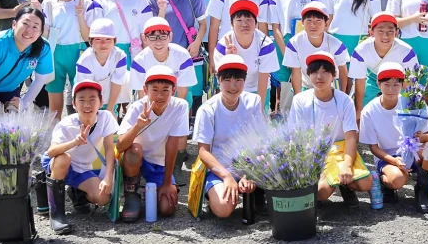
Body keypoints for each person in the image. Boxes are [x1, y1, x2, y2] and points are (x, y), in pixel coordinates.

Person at [286, 51, 371, 207]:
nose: (319, 76)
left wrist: (346, 165)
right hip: (313, 153)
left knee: (365, 183)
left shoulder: (344, 100)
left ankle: (345, 185)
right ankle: (330, 182)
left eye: (325, 71)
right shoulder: (300, 100)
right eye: (315, 72)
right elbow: (295, 135)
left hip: (340, 150)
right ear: (308, 75)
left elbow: (351, 136)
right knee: (321, 192)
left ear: (334, 75)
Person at [359, 62, 428, 212]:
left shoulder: (412, 103)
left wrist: (421, 137)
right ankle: (384, 183)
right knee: (397, 180)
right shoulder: (369, 111)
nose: (391, 89)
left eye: (396, 84)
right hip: (388, 156)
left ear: (403, 85)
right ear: (378, 84)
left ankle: (423, 191)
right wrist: (393, 161)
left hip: (413, 151)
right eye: (387, 84)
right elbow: (373, 147)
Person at [194, 54, 268, 219]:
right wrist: (226, 176)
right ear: (218, 80)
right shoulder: (208, 109)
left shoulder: (253, 101)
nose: (233, 86)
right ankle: (212, 193)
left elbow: (258, 141)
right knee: (223, 209)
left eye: (238, 80)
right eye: (227, 80)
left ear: (245, 80)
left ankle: (257, 195)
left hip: (249, 164)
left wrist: (249, 173)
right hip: (220, 168)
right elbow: (203, 152)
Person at [41, 81, 117, 234]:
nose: (87, 104)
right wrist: (75, 142)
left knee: (103, 198)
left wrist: (108, 177)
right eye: (81, 100)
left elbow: (109, 148)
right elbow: (51, 152)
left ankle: (77, 193)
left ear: (101, 102)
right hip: (58, 162)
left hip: (82, 168)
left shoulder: (106, 117)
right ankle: (56, 214)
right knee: (64, 158)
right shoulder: (66, 124)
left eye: (92, 99)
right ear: (74, 104)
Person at [116, 65, 190, 220]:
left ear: (173, 90)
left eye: (165, 90)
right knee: (133, 150)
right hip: (136, 160)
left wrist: (167, 183)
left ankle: (154, 187)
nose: (160, 95)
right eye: (154, 89)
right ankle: (131, 196)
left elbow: (172, 144)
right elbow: (120, 146)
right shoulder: (136, 107)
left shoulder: (180, 106)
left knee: (166, 208)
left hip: (160, 163)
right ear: (145, 89)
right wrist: (138, 126)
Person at [260, 0, 323, 104]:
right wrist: (286, 53)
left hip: (308, 41)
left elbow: (320, 19)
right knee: (283, 84)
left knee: (309, 79)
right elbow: (275, 27)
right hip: (284, 42)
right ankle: (283, 117)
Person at [149, 0, 208, 108]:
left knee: (192, 95)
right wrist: (162, 10)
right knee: (166, 94)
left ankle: (189, 127)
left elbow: (203, 24)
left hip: (189, 53)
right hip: (165, 56)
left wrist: (196, 44)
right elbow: (156, 29)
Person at [40, 0, 91, 118]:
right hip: (55, 52)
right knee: (55, 97)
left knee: (82, 95)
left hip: (79, 51)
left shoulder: (85, 2)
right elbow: (45, 35)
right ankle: (56, 135)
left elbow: (88, 36)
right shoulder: (49, 3)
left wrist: (81, 15)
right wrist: (37, 14)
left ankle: (82, 133)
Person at [349, 12, 418, 120]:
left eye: (390, 31)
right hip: (372, 77)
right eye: (380, 31)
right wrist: (359, 109)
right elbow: (360, 81)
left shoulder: (406, 51)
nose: (385, 36)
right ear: (371, 32)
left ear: (397, 33)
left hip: (398, 80)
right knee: (364, 101)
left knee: (405, 105)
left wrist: (410, 107)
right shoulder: (361, 51)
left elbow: (409, 82)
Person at [213, 0, 278, 107]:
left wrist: (259, 110)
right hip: (232, 90)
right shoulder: (223, 45)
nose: (244, 24)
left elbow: (263, 78)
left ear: (256, 23)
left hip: (257, 89)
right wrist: (229, 59)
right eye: (239, 20)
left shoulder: (265, 44)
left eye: (249, 19)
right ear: (232, 24)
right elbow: (222, 80)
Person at [282, 2, 350, 94]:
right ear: (302, 22)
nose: (313, 25)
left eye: (318, 21)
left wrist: (341, 96)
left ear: (326, 23)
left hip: (330, 87)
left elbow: (342, 71)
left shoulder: (337, 45)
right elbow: (296, 73)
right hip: (306, 86)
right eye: (309, 20)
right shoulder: (294, 43)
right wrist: (298, 98)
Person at [129, 17, 197, 102]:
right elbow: (142, 94)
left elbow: (183, 88)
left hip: (175, 94)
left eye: (163, 36)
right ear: (144, 39)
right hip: (151, 96)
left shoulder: (183, 56)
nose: (158, 42)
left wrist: (175, 110)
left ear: (170, 36)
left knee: (187, 99)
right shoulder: (139, 61)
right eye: (152, 37)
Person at [75, 19, 129, 110]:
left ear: (114, 41)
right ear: (90, 42)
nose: (103, 44)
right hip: (88, 91)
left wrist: (110, 108)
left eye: (108, 39)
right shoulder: (84, 61)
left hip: (110, 87)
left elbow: (117, 82)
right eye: (98, 39)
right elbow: (86, 91)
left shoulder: (120, 56)